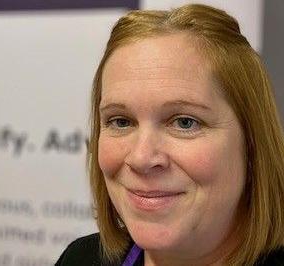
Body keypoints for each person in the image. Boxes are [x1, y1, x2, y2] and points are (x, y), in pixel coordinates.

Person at [56, 4, 284, 266]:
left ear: (253, 144)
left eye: (185, 123)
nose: (141, 158)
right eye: (121, 121)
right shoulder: (83, 259)